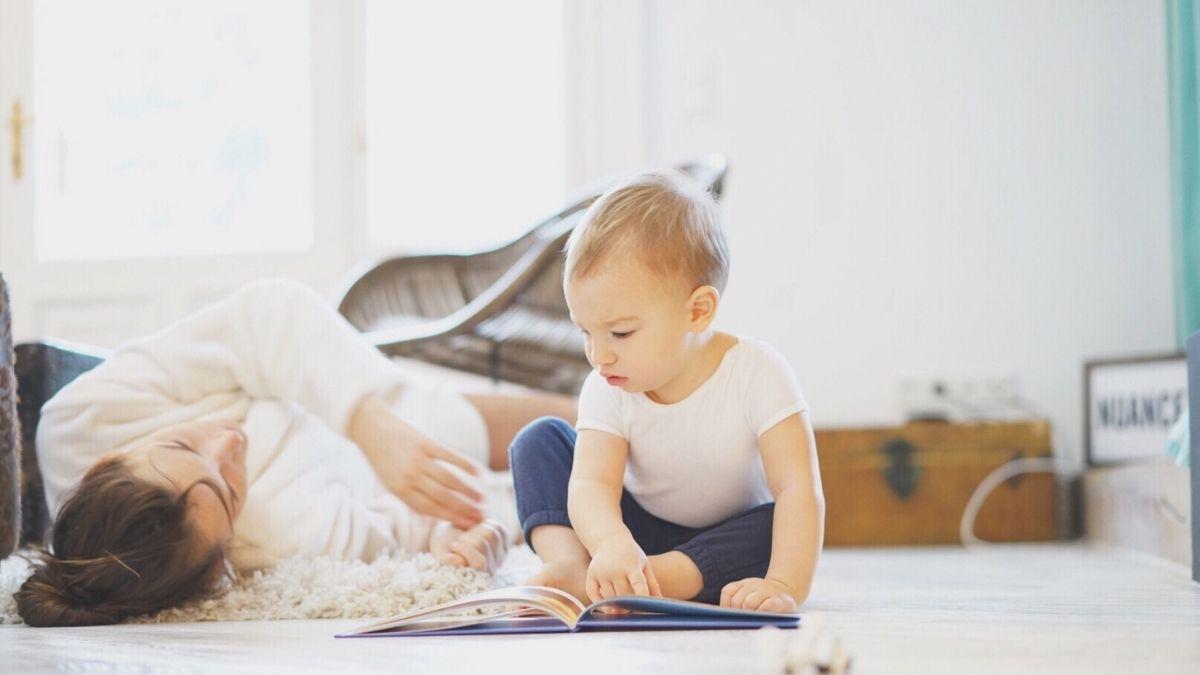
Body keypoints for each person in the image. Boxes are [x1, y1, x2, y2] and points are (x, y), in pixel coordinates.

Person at [15, 279, 575, 627]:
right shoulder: (278, 545)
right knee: (553, 480)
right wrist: (453, 535)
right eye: (229, 489)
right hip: (383, 476)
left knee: (579, 418)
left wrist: (370, 424)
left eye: (180, 442)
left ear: (105, 460)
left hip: (365, 401)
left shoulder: (79, 422)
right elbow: (406, 530)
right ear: (217, 571)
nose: (230, 441)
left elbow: (268, 315)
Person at [508, 171, 825, 613]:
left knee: (780, 521)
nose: (598, 355)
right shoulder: (607, 384)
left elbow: (797, 486)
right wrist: (611, 542)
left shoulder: (758, 372)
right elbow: (591, 483)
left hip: (721, 542)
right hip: (632, 534)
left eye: (620, 333)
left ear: (697, 311)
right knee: (539, 441)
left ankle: (646, 582)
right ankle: (572, 566)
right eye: (585, 332)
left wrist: (783, 584)